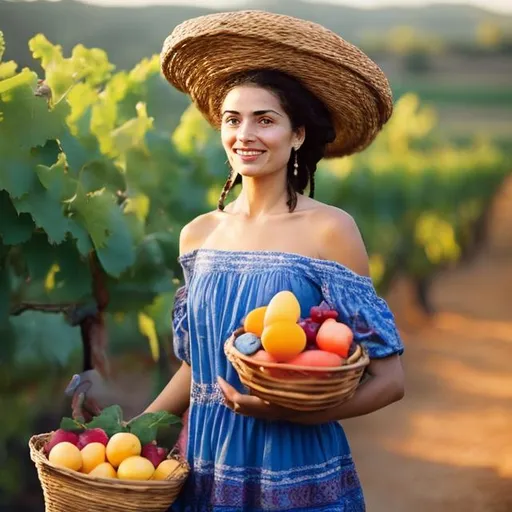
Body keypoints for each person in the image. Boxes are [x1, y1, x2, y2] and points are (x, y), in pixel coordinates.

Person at [144, 10, 405, 511]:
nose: (246, 134)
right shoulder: (198, 235)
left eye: (265, 119)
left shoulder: (330, 230)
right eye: (233, 119)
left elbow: (390, 381)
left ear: (298, 135)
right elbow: (198, 365)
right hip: (206, 463)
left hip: (295, 466)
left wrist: (294, 414)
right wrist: (132, 432)